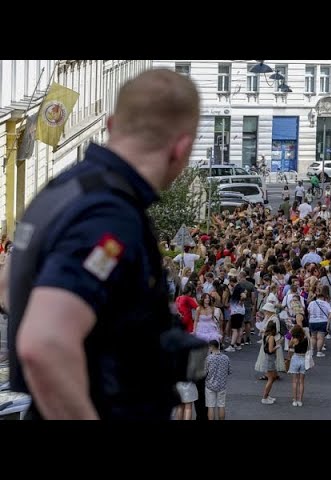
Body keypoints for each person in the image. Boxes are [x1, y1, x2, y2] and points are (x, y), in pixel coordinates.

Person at [0, 69, 202, 420]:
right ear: (182, 148)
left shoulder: (63, 190)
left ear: (110, 125)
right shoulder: (109, 216)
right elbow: (43, 343)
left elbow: (7, 287)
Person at [204, 339, 231, 420]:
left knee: (211, 406)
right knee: (221, 405)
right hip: (222, 385)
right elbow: (229, 371)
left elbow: (205, 372)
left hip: (210, 385)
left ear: (211, 347)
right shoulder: (226, 358)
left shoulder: (208, 358)